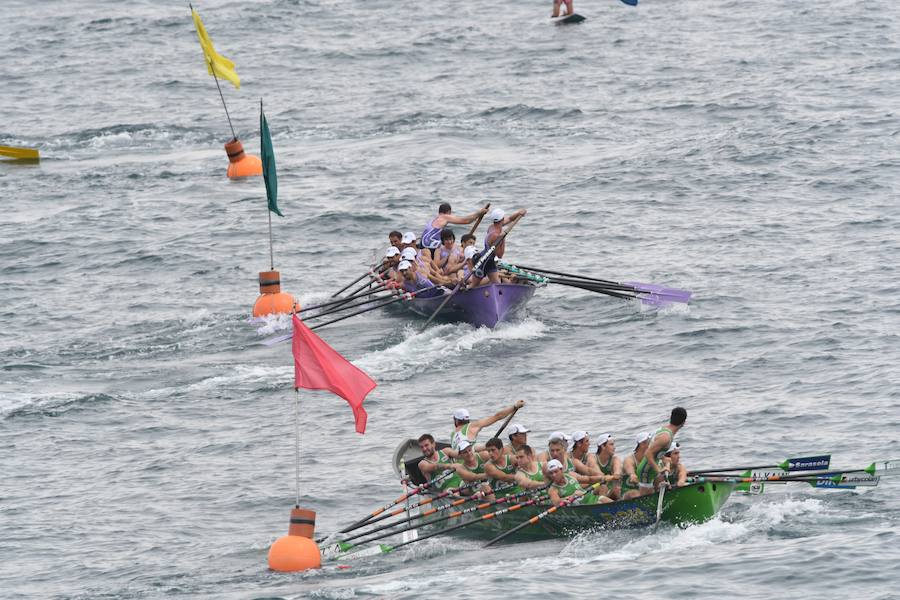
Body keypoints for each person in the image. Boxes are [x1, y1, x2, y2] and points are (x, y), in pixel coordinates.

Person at [636, 407, 687, 495]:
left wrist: (665, 459)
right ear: (684, 423)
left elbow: (656, 452)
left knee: (662, 489)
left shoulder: (665, 430)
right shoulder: (666, 437)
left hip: (652, 468)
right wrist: (659, 470)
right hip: (646, 470)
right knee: (647, 500)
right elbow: (648, 453)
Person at [451, 400, 525, 451]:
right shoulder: (472, 426)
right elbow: (498, 416)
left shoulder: (453, 434)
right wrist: (514, 406)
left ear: (455, 419)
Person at [420, 203, 489, 257]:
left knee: (451, 245)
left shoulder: (434, 219)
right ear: (449, 212)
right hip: (430, 244)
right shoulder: (445, 217)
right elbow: (466, 221)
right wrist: (480, 212)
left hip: (422, 244)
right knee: (456, 249)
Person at [482, 207, 526, 284]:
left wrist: (519, 213)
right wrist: (503, 238)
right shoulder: (496, 235)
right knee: (498, 284)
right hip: (487, 262)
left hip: (485, 257)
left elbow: (510, 219)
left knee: (498, 282)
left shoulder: (491, 227)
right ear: (502, 219)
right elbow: (500, 255)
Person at [621, 431, 650, 500]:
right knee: (635, 494)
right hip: (627, 491)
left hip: (644, 490)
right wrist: (632, 474)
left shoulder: (650, 459)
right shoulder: (629, 459)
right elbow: (629, 467)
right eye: (649, 442)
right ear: (642, 444)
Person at [593, 433, 623, 500]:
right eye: (611, 444)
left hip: (609, 491)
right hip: (596, 490)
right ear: (603, 446)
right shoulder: (593, 459)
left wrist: (614, 475)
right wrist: (604, 478)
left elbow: (617, 472)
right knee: (603, 487)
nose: (614, 447)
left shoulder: (615, 459)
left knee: (617, 489)